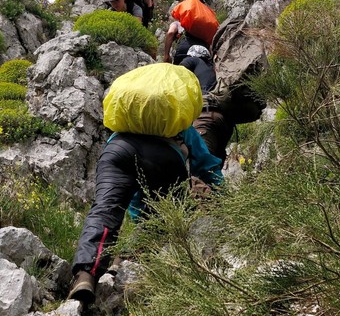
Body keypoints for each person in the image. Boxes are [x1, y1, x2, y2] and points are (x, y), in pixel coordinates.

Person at [68, 125, 223, 305]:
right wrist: (225, 199)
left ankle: (85, 277)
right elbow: (207, 165)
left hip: (117, 148)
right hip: (166, 155)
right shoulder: (178, 119)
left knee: (104, 210)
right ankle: (123, 264)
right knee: (158, 218)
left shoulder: (129, 116)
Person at [180, 45, 235, 166]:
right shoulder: (216, 69)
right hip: (225, 120)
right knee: (214, 168)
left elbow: (177, 75)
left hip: (205, 115)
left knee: (201, 167)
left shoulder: (193, 60)